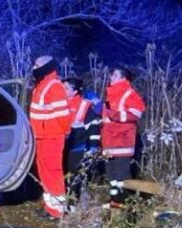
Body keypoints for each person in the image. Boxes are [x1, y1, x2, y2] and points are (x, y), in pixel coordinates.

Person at [28, 56, 70, 219]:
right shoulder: (41, 86)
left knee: (53, 173)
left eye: (36, 65)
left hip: (52, 137)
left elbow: (63, 116)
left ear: (45, 66)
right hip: (42, 136)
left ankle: (57, 210)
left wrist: (59, 133)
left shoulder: (54, 86)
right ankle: (50, 207)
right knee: (45, 173)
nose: (34, 68)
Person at [101, 66, 146, 208]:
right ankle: (115, 200)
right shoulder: (110, 94)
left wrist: (113, 115)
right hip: (109, 141)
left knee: (121, 175)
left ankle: (125, 203)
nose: (111, 77)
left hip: (122, 141)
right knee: (111, 175)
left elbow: (136, 113)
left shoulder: (129, 94)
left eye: (114, 75)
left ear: (123, 78)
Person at [62, 77, 102, 208]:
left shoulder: (84, 105)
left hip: (77, 148)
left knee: (73, 177)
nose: (63, 89)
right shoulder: (59, 104)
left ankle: (72, 205)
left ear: (74, 92)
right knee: (60, 176)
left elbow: (93, 127)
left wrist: (93, 147)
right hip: (61, 147)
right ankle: (59, 205)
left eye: (66, 88)